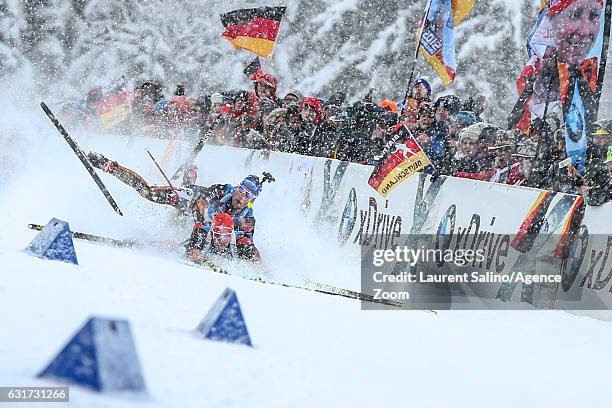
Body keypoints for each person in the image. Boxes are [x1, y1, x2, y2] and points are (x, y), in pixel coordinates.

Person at [189, 173, 275, 259]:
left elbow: (248, 242)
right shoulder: (222, 191)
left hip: (225, 237)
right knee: (198, 226)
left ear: (251, 201)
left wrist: (254, 259)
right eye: (241, 190)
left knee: (247, 246)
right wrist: (198, 222)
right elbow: (200, 199)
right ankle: (194, 253)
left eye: (248, 195)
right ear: (237, 187)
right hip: (207, 225)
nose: (242, 197)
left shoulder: (248, 218)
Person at [87, 151, 201, 215]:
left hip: (188, 212)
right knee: (149, 193)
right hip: (191, 201)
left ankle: (189, 179)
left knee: (177, 217)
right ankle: (109, 166)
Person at [186, 212, 261, 263]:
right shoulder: (201, 233)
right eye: (218, 234)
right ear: (212, 233)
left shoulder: (240, 241)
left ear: (231, 235)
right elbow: (192, 256)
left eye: (227, 235)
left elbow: (257, 263)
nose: (221, 240)